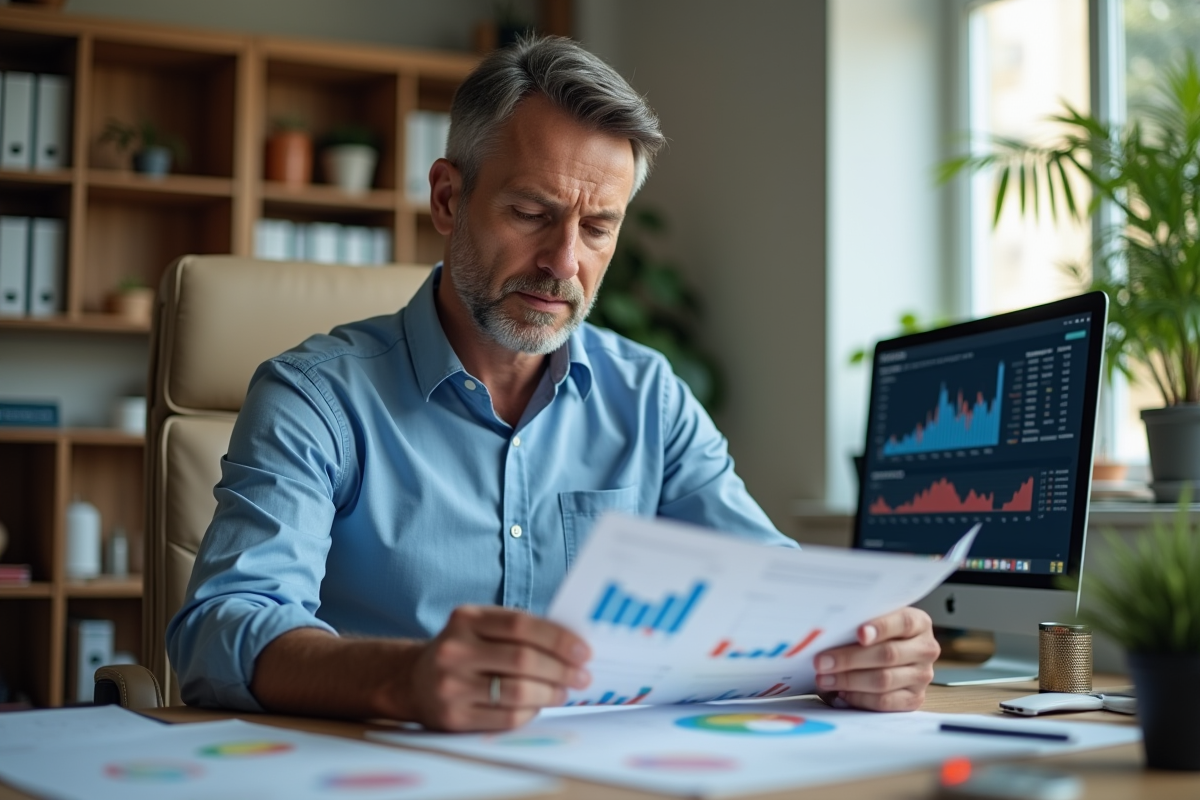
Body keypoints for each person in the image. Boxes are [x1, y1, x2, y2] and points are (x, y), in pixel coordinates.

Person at [168, 35, 939, 732]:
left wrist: (864, 642)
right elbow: (221, 628)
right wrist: (405, 678)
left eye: (598, 226)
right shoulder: (315, 399)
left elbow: (776, 592)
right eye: (532, 212)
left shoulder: (649, 396)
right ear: (447, 198)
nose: (564, 262)